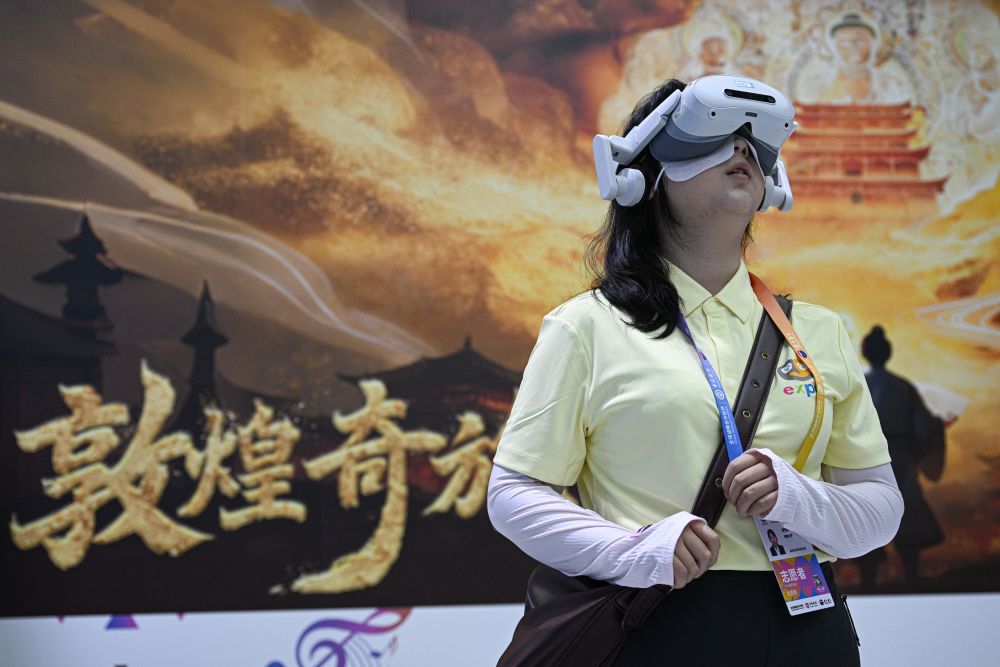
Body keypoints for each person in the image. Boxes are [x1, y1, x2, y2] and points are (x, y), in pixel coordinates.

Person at [487, 77, 904, 665]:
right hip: (652, 620)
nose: (741, 150)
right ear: (644, 176)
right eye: (712, 136)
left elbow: (881, 507)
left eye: (752, 142)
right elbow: (513, 494)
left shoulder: (820, 330)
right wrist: (634, 551)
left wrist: (797, 497)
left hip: (806, 627)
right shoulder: (586, 326)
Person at [855, 325, 945, 590]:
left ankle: (868, 582)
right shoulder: (903, 387)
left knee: (865, 514)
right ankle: (911, 580)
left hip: (863, 457)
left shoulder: (857, 384)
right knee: (908, 517)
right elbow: (923, 431)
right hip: (900, 458)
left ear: (865, 352)